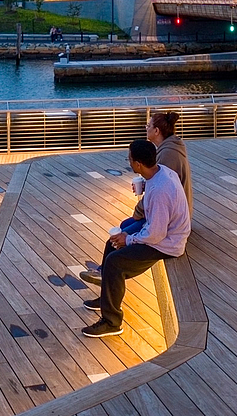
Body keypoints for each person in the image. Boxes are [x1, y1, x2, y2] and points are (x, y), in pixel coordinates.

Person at [79, 139, 191, 338]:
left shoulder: (159, 191)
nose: (128, 162)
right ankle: (106, 297)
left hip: (167, 243)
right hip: (160, 229)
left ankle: (112, 322)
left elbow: (156, 234)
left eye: (129, 159)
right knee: (112, 242)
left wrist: (129, 240)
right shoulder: (161, 172)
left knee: (115, 261)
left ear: (138, 164)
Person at [81, 111, 194, 286]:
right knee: (120, 233)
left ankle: (107, 279)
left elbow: (157, 231)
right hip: (166, 221)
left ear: (156, 131)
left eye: (148, 126)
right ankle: (105, 278)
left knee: (117, 253)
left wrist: (130, 234)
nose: (145, 128)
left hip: (169, 235)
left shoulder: (167, 158)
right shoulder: (164, 155)